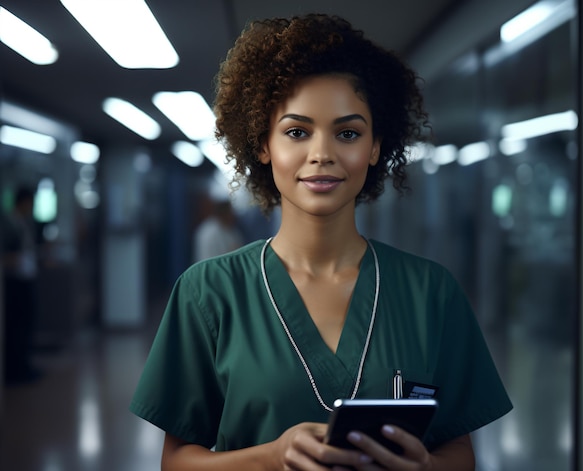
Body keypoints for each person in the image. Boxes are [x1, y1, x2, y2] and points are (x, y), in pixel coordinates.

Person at [130, 13, 512, 470]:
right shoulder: (207, 293)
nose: (322, 153)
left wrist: (425, 467)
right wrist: (271, 457)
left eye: (348, 133)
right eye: (297, 131)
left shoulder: (431, 292)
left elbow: (461, 452)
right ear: (263, 145)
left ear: (374, 148)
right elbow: (176, 463)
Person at [1, 186, 42, 384]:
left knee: (26, 326)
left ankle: (24, 366)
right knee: (16, 328)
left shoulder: (23, 223)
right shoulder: (9, 223)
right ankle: (15, 369)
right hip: (14, 282)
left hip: (26, 279)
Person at [192, 193, 243, 263]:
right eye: (230, 211)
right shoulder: (208, 231)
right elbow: (207, 260)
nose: (233, 215)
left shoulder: (231, 230)